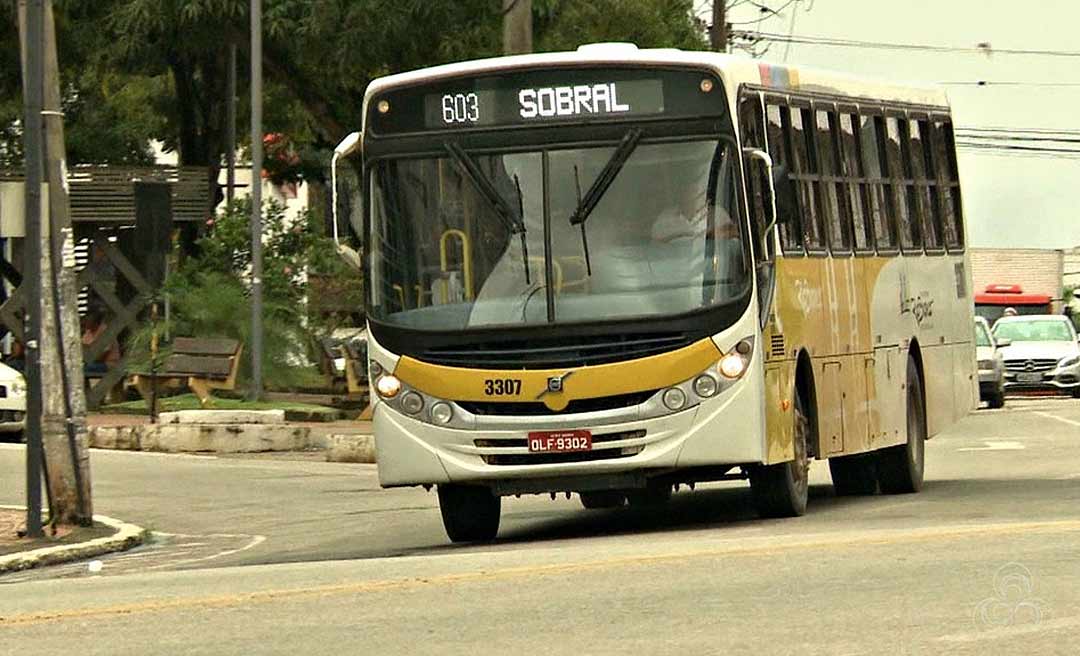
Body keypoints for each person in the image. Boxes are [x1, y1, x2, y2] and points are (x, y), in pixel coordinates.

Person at [81, 309, 120, 376]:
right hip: (93, 362)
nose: (85, 322)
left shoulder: (105, 331)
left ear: (95, 322)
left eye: (88, 320)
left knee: (83, 369)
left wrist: (87, 357)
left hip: (108, 364)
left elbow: (102, 355)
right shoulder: (88, 332)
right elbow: (83, 348)